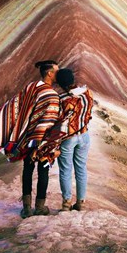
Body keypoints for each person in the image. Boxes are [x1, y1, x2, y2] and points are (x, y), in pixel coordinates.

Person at [19, 60, 60, 218]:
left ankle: (26, 208)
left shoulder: (30, 88)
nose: (58, 74)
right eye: (56, 71)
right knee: (43, 172)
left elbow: (20, 109)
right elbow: (52, 121)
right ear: (49, 73)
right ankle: (40, 207)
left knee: (27, 170)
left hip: (27, 137)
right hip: (43, 140)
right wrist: (53, 145)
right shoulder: (52, 94)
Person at [55, 68, 93, 212]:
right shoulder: (87, 93)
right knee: (81, 168)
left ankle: (66, 203)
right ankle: (81, 202)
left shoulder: (62, 99)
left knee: (65, 169)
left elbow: (58, 119)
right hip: (84, 135)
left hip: (68, 138)